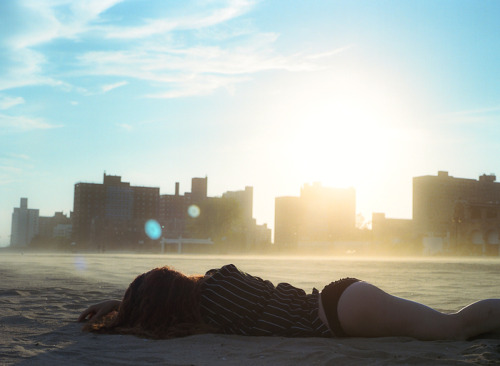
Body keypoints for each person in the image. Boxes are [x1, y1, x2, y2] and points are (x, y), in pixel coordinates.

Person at [78, 264, 500, 340]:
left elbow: (158, 321)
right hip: (342, 302)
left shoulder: (212, 300)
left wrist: (122, 307)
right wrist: (120, 301)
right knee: (452, 327)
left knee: (453, 329)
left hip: (340, 311)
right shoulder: (213, 290)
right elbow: (165, 308)